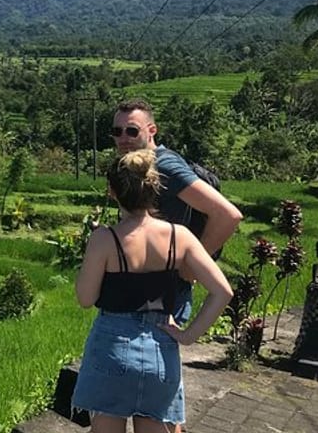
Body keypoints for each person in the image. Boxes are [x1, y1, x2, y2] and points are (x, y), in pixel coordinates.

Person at [72, 149, 233, 432]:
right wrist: (188, 336)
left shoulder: (104, 238)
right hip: (161, 346)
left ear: (112, 191)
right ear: (155, 187)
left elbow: (85, 299)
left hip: (111, 345)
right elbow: (222, 292)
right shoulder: (178, 236)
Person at [111, 99, 242, 325]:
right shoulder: (136, 167)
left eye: (132, 131)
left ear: (152, 130)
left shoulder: (165, 166)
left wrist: (191, 267)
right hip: (145, 288)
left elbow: (228, 215)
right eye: (117, 131)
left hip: (166, 292)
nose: (123, 138)